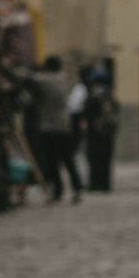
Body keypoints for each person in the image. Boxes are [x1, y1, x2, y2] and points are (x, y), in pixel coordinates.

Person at [32, 55, 84, 204]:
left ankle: (58, 190)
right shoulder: (66, 79)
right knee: (68, 160)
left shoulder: (46, 79)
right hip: (64, 124)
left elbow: (31, 77)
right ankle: (76, 188)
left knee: (52, 161)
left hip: (49, 126)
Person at [82, 69, 119, 191]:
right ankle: (105, 185)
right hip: (108, 133)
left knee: (94, 159)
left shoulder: (92, 96)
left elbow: (87, 113)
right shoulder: (111, 97)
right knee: (105, 160)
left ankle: (94, 184)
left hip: (94, 132)